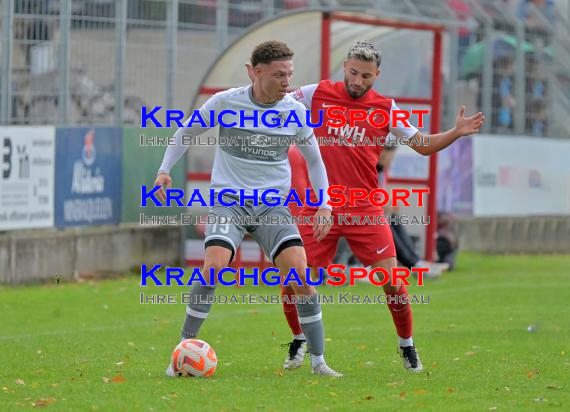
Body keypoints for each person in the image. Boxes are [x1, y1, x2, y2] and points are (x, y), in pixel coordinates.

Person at [272, 41, 485, 372]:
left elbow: (422, 146)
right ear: (345, 66)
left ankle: (407, 346)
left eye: (366, 76)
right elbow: (274, 103)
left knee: (393, 281)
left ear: (377, 75)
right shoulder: (316, 93)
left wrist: (456, 132)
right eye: (354, 73)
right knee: (292, 279)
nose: (358, 81)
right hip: (320, 206)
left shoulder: (386, 108)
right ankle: (299, 339)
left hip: (364, 209)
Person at [155, 41, 342, 377]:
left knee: (301, 277)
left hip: (272, 207)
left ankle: (319, 362)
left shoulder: (295, 112)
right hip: (230, 202)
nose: (287, 82)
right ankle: (181, 352)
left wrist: (324, 204)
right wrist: (164, 169)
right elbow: (186, 133)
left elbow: (315, 159)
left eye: (290, 74)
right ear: (255, 72)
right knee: (212, 269)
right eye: (278, 74)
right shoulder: (226, 102)